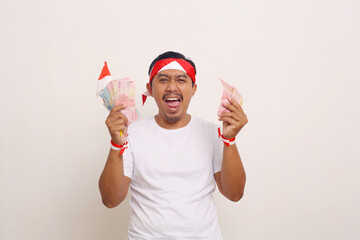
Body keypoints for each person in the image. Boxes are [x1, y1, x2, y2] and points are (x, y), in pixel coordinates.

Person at [99, 51, 248, 239]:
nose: (171, 87)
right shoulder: (130, 134)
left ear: (194, 89)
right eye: (163, 80)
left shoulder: (215, 134)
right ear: (150, 89)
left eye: (181, 80)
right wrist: (115, 145)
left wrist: (230, 140)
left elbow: (234, 194)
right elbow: (110, 200)